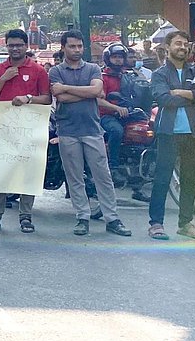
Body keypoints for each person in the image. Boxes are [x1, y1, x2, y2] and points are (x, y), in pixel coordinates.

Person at [49, 31, 132, 237]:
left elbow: (94, 92)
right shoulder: (55, 71)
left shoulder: (93, 68)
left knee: (103, 176)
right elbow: (61, 97)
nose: (77, 50)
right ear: (63, 48)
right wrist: (87, 93)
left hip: (93, 130)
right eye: (72, 46)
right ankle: (82, 217)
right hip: (67, 130)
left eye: (79, 46)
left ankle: (112, 218)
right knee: (75, 176)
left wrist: (68, 89)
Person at [0, 28, 51, 234]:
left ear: (26, 46)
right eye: (11, 45)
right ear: (6, 46)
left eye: (19, 45)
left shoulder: (38, 70)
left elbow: (47, 98)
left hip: (29, 130)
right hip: (3, 128)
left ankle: (26, 216)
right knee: (0, 171)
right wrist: (4, 78)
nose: (15, 48)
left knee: (28, 171)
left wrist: (28, 99)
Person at [146, 30, 195, 239]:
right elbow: (163, 98)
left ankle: (186, 223)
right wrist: (193, 96)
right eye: (178, 44)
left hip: (192, 132)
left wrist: (181, 93)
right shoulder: (159, 74)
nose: (183, 47)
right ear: (167, 48)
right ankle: (156, 223)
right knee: (162, 178)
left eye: (185, 44)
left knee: (189, 178)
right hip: (168, 132)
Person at [96, 43, 133, 189]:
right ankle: (114, 167)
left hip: (126, 113)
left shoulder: (129, 76)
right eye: (115, 57)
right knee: (116, 131)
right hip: (106, 115)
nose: (118, 60)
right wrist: (116, 108)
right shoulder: (102, 77)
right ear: (108, 59)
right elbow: (98, 100)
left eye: (121, 57)